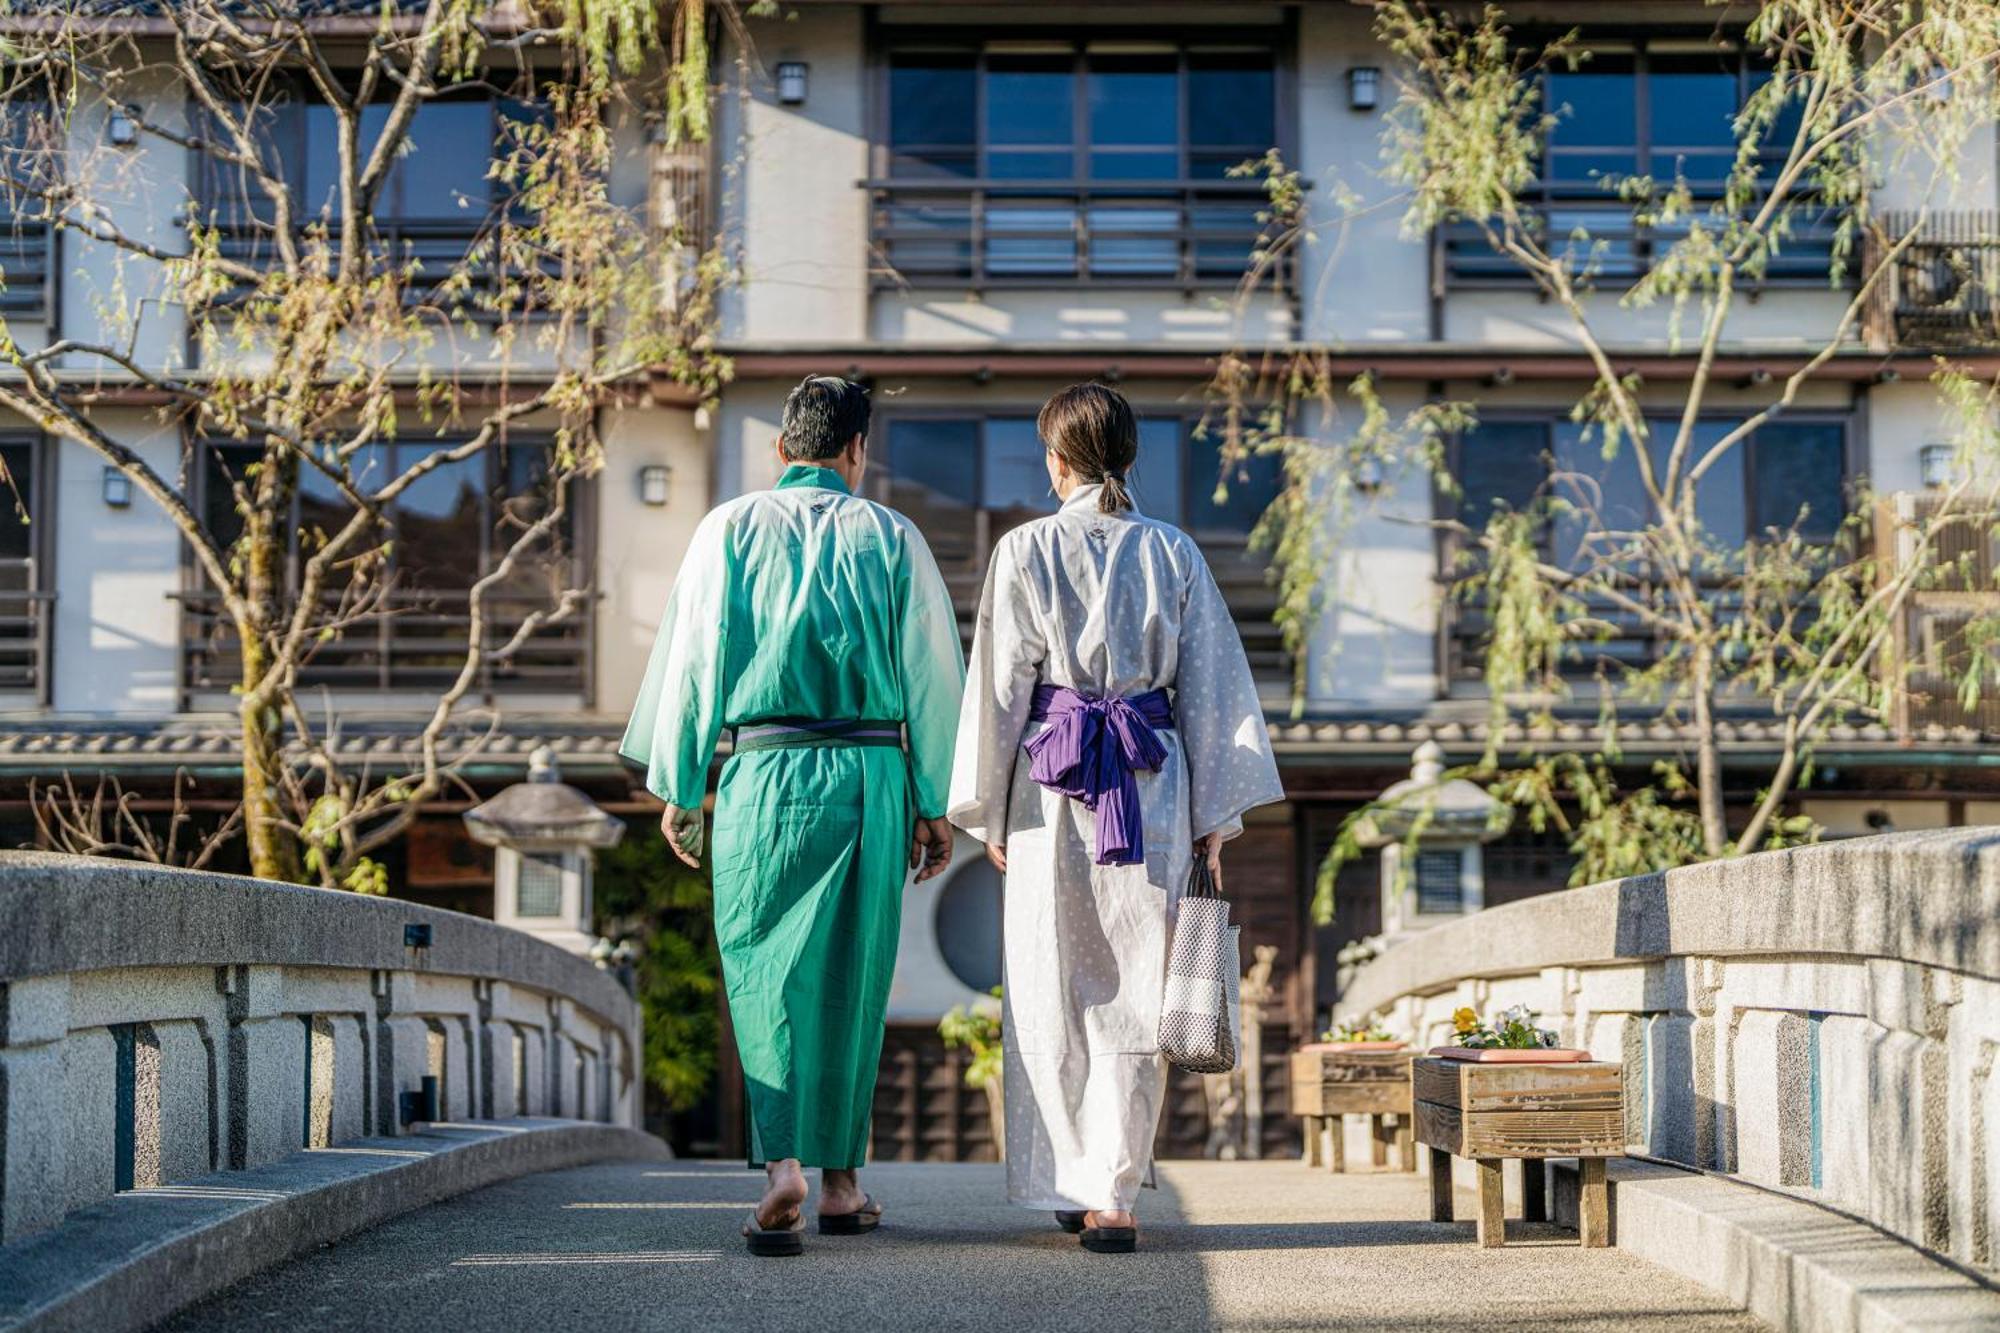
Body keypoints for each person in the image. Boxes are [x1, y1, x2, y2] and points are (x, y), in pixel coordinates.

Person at [622, 376, 963, 1257]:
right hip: (871, 771)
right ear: (857, 451)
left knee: (763, 972)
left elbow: (696, 657)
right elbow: (930, 673)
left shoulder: (727, 529)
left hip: (763, 771)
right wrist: (935, 803)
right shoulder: (893, 536)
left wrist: (681, 782)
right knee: (855, 974)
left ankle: (784, 1172)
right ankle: (845, 1183)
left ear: (781, 448)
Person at [946, 382, 1284, 1254]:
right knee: (1139, 986)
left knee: (1052, 981)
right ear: (1127, 457)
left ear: (1056, 460)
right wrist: (1215, 813)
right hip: (1151, 780)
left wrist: (983, 806)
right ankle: (1116, 1189)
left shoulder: (1024, 549)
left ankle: (1077, 1176)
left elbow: (999, 685)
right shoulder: (1172, 551)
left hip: (1050, 787)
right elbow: (1211, 686)